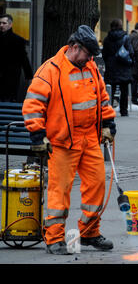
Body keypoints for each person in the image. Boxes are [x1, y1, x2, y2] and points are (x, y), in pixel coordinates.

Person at [22, 25, 117, 255]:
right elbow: (33, 105)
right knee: (59, 191)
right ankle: (54, 238)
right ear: (75, 48)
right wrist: (37, 135)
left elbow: (102, 98)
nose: (90, 59)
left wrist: (107, 124)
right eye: (87, 54)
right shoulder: (50, 70)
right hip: (63, 142)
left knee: (96, 185)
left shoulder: (90, 66)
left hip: (89, 139)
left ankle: (90, 233)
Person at [102, 19, 134, 116]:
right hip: (124, 67)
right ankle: (123, 110)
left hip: (111, 67)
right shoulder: (125, 38)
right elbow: (131, 52)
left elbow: (104, 54)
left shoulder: (107, 38)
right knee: (124, 90)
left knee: (110, 89)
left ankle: (109, 109)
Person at [0, 14, 33, 102]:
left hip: (11, 76)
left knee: (9, 99)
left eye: (4, 23)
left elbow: (24, 59)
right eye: (0, 23)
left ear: (10, 24)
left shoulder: (17, 40)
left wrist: (29, 76)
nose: (1, 25)